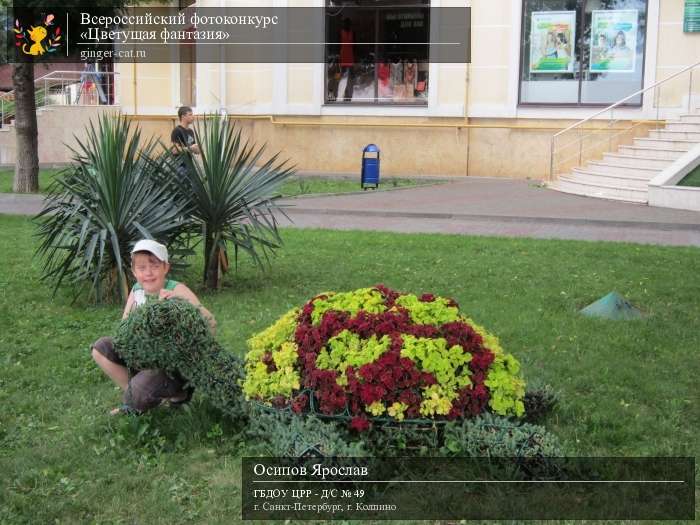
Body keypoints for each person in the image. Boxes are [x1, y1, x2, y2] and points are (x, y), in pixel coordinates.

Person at [91, 239, 217, 415]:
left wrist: (179, 305)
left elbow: (210, 323)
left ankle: (177, 393)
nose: (148, 273)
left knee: (145, 385)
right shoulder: (137, 291)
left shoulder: (176, 290)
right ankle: (135, 395)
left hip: (170, 364)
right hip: (144, 357)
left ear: (166, 268)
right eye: (142, 268)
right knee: (101, 348)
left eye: (155, 266)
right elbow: (124, 328)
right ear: (134, 272)